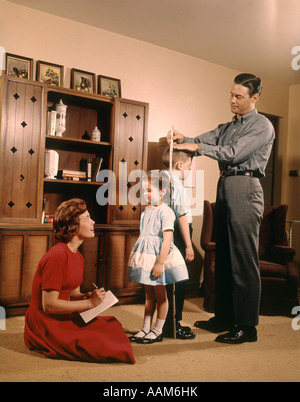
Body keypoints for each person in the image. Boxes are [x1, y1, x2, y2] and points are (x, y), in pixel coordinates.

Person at [167, 73, 275, 344]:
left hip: (246, 188)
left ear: (254, 98)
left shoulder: (263, 126)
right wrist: (184, 137)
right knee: (225, 257)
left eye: (239, 96)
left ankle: (247, 326)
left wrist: (197, 146)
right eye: (231, 94)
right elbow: (203, 139)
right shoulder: (228, 126)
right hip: (225, 186)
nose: (232, 100)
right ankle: (225, 318)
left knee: (243, 260)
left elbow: (234, 153)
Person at [24, 198, 135, 363]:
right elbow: (49, 305)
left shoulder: (77, 255)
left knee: (112, 326)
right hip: (44, 321)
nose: (93, 222)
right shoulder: (57, 256)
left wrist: (87, 296)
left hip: (61, 313)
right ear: (73, 226)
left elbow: (72, 293)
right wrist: (90, 304)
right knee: (109, 344)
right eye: (87, 218)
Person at [127, 172, 189, 344]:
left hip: (158, 257)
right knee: (148, 295)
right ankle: (146, 328)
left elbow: (167, 239)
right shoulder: (145, 213)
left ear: (162, 192)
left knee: (160, 294)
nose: (145, 194)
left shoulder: (166, 211)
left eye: (149, 190)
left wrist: (160, 263)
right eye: (143, 191)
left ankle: (157, 330)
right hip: (146, 257)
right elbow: (144, 237)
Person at [161, 147, 196, 340]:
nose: (189, 171)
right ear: (180, 165)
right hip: (179, 234)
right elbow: (182, 216)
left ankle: (166, 321)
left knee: (168, 277)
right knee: (179, 277)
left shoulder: (161, 180)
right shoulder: (176, 184)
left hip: (166, 232)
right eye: (189, 166)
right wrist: (189, 245)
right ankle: (174, 323)